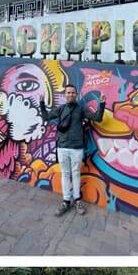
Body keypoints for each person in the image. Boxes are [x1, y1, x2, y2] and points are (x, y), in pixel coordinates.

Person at [39, 84, 105, 215]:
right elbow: (46, 117)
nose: (70, 95)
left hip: (77, 148)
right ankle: (66, 201)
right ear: (65, 94)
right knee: (65, 174)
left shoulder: (81, 109)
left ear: (76, 94)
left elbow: (98, 118)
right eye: (68, 92)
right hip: (62, 147)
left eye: (73, 92)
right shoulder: (61, 109)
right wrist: (41, 103)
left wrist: (102, 104)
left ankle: (77, 200)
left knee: (75, 174)